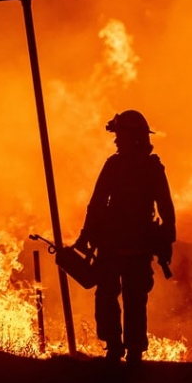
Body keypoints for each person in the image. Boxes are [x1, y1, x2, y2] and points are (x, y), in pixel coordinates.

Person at [74, 110, 176, 364]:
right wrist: (86, 233)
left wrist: (166, 239)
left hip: (122, 245)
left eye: (120, 135)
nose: (117, 141)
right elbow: (98, 203)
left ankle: (124, 349)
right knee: (125, 298)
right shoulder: (128, 166)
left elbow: (165, 207)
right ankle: (123, 348)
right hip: (120, 245)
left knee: (123, 297)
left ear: (135, 137)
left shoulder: (128, 166)